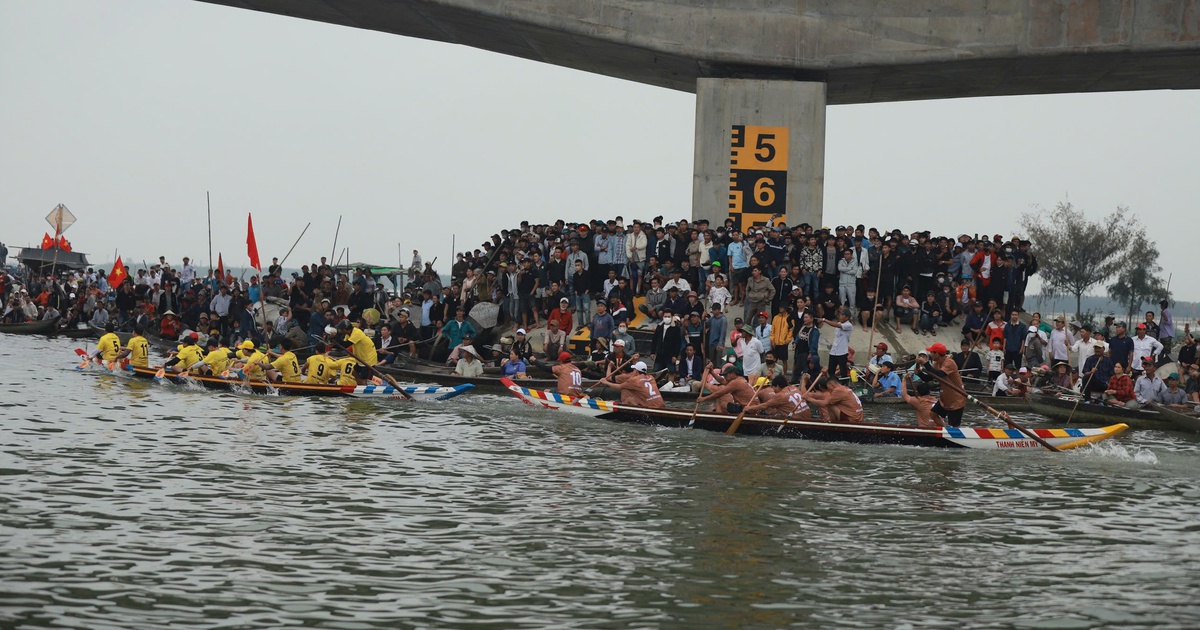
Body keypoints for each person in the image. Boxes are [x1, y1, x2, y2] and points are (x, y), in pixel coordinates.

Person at [914, 342, 966, 427]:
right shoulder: (936, 363)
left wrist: (925, 363)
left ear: (937, 354)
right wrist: (919, 373)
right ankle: (944, 429)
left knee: (954, 425)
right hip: (945, 398)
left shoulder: (949, 363)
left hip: (956, 398)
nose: (930, 354)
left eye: (932, 352)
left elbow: (939, 374)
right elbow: (928, 378)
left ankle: (952, 436)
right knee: (933, 414)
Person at [595, 361, 665, 408]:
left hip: (650, 407)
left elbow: (619, 386)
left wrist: (605, 382)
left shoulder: (633, 380)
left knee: (625, 389)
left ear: (636, 371)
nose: (633, 371)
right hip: (661, 405)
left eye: (634, 370)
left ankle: (623, 405)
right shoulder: (651, 377)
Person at [743, 376, 811, 420]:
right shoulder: (794, 388)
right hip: (808, 417)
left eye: (773, 387)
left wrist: (749, 408)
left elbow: (765, 405)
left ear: (778, 386)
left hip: (796, 420)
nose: (773, 390)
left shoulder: (780, 396)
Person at [822, 308, 853, 379]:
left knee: (843, 371)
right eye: (840, 314)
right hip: (833, 351)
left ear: (847, 317)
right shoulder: (839, 323)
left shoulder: (849, 325)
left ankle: (844, 385)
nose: (840, 316)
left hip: (842, 352)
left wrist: (824, 320)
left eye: (842, 315)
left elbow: (836, 325)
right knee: (831, 370)